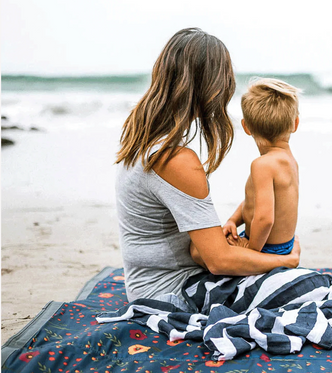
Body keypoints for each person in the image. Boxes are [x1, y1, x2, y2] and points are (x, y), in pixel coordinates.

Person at [115, 28, 300, 306]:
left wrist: (220, 236)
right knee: (310, 287)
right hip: (171, 291)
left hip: (154, 280)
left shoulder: (144, 137)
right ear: (210, 85)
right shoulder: (175, 159)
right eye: (226, 78)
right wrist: (285, 260)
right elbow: (218, 261)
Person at [223, 78, 300, 255]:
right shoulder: (289, 160)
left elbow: (265, 219)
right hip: (280, 244)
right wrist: (233, 221)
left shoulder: (262, 165)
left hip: (264, 247)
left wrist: (250, 251)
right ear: (295, 124)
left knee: (199, 251)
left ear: (246, 127)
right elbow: (255, 200)